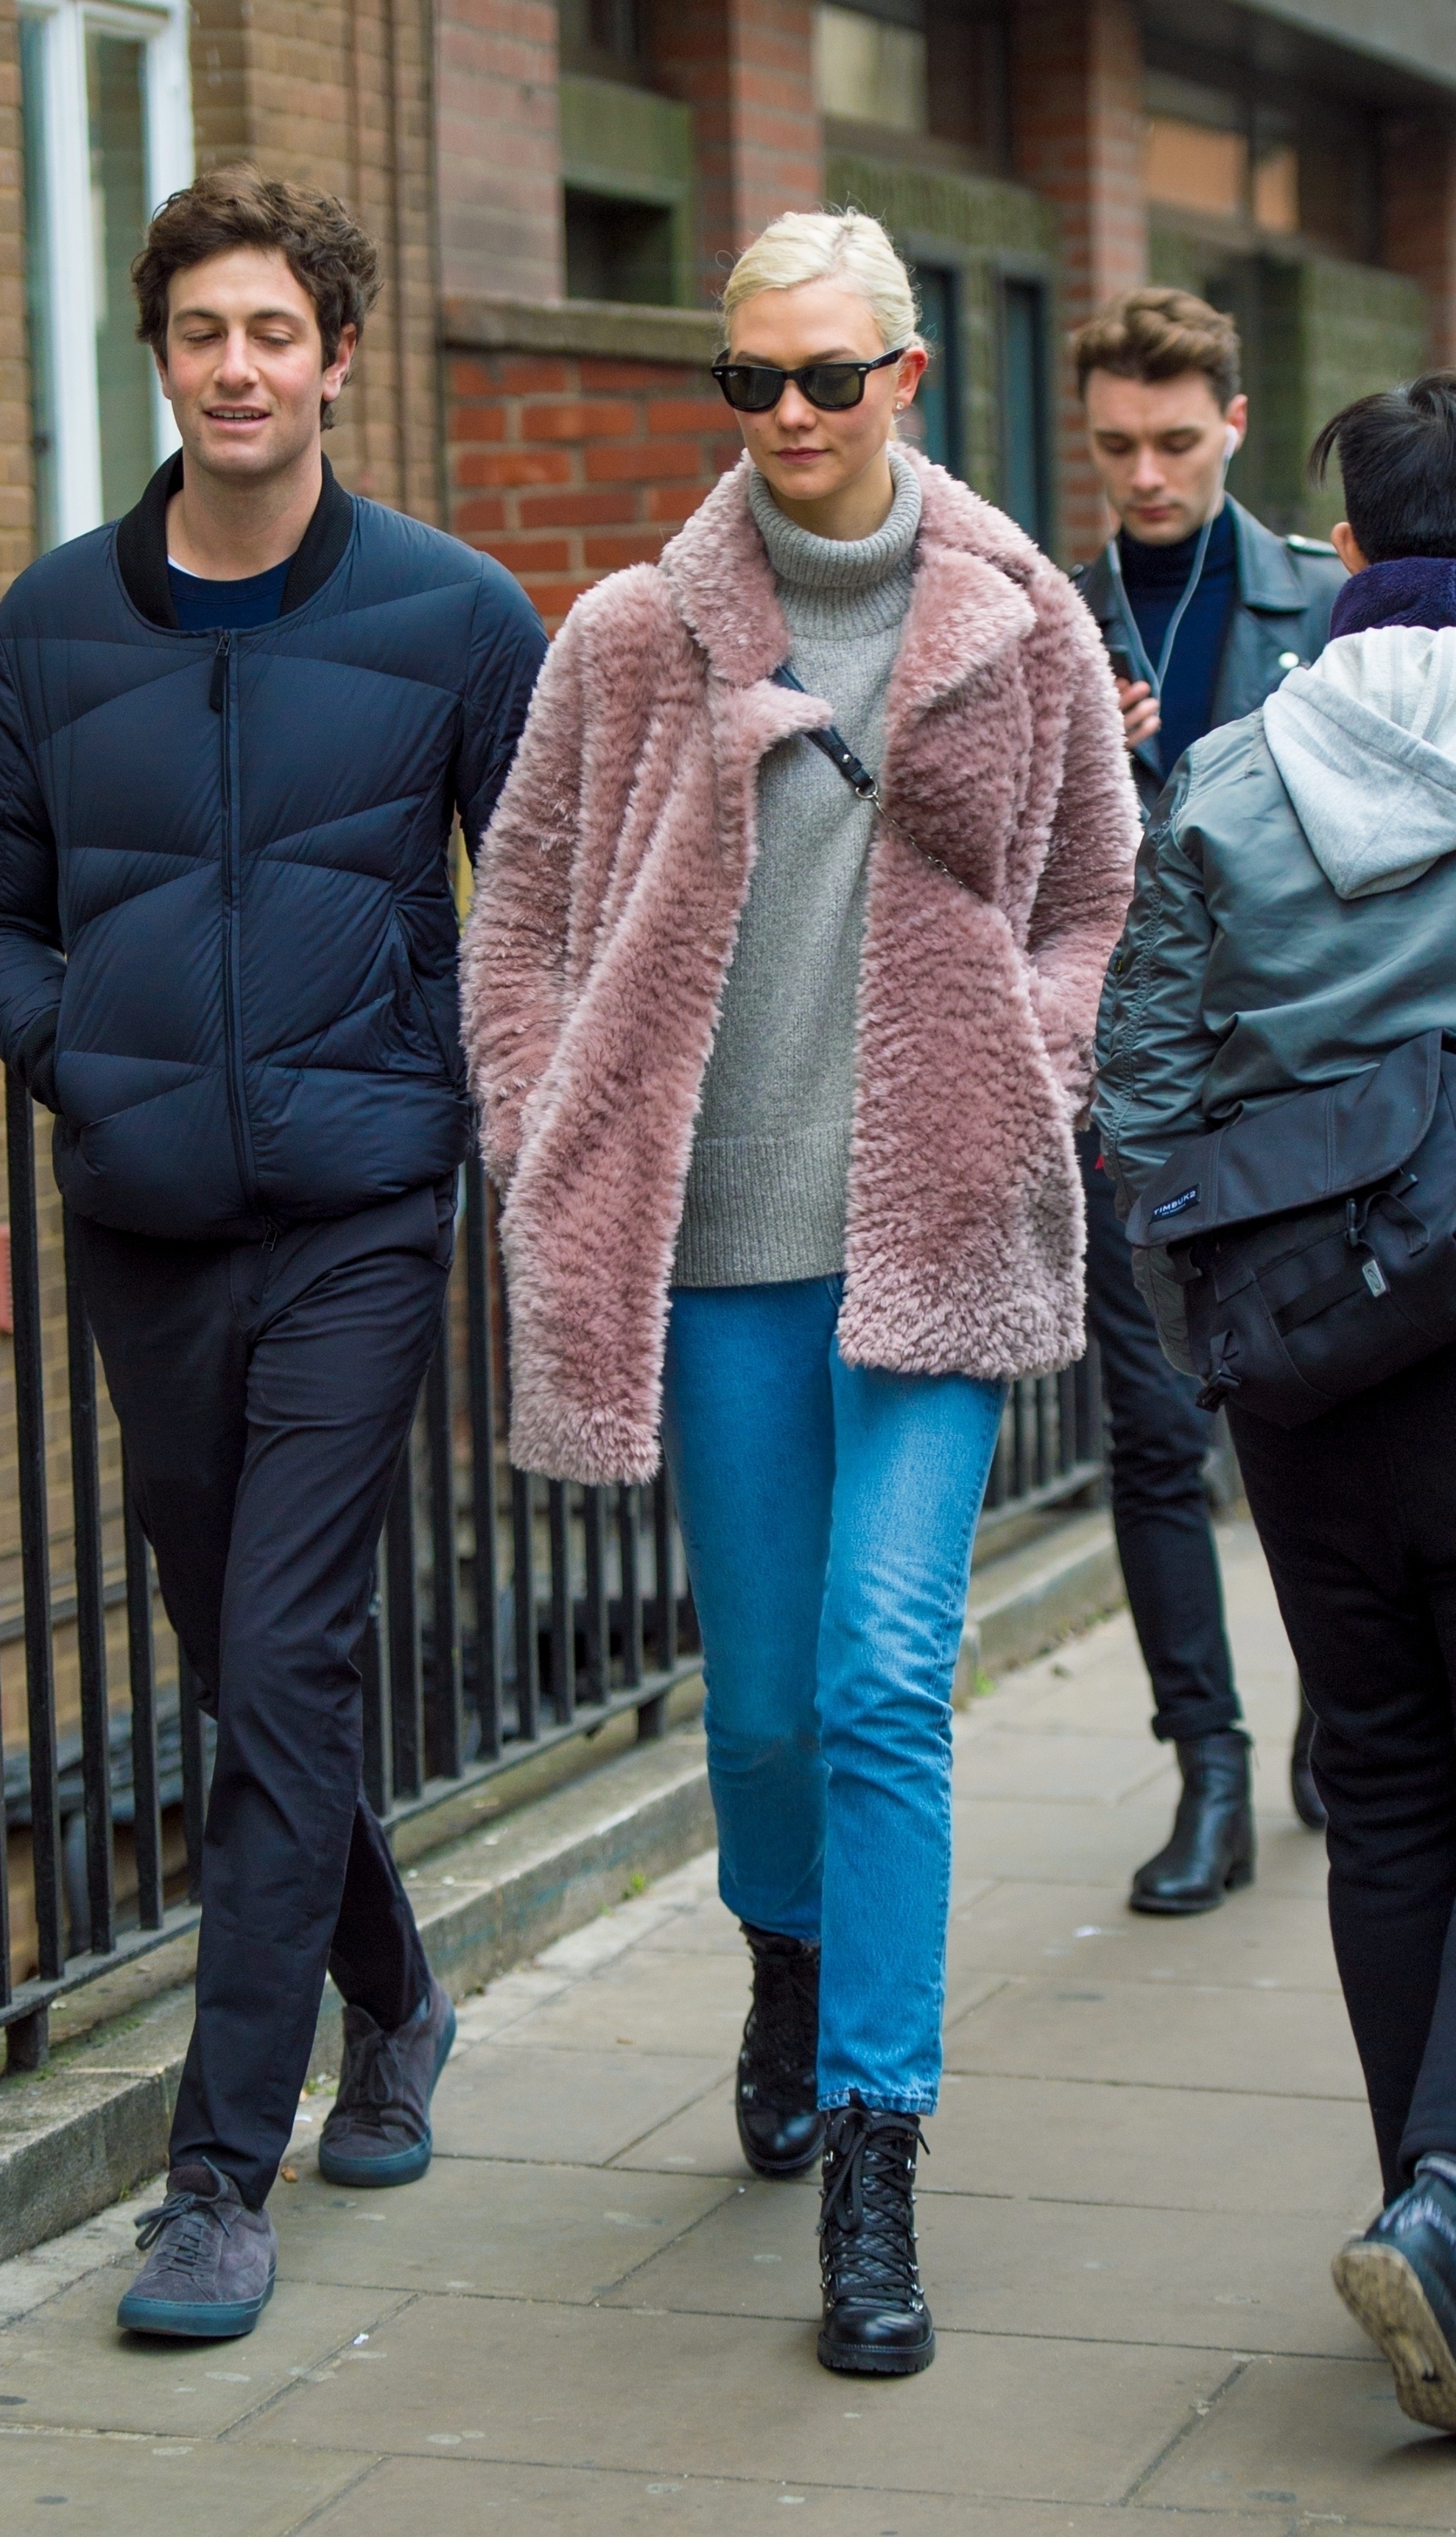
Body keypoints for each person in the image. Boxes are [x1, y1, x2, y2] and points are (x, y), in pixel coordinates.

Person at [460, 208, 1136, 2379]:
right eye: (749, 379)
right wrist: (542, 1119)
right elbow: (520, 918)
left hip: (933, 1230)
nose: (788, 415)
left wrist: (1027, 1070)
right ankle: (785, 1948)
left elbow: (1098, 899)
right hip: (717, 1253)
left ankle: (877, 2144)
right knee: (758, 1703)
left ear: (905, 377)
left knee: (879, 1677)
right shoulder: (628, 637)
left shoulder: (1018, 616)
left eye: (828, 376)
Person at [0, 166, 545, 2340]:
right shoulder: (52, 624)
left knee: (286, 1658)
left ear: (337, 355)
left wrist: (432, 1081)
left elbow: (537, 905)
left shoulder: (458, 615)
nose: (238, 365)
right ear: (160, 355)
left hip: (364, 1210)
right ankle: (398, 1996)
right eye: (203, 329)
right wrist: (84, 1063)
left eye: (275, 328)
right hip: (149, 1222)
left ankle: (215, 2178)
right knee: (236, 1658)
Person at [1092, 371, 1456, 2432]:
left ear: (1353, 550)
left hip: (1307, 1368)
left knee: (1387, 1789)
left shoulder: (1234, 768)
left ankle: (1422, 2205)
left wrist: (1216, 1324)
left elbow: (1140, 1087)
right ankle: (1444, 2225)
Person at [1072, 288, 1345, 1914]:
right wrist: (1080, 756)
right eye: (1116, 445)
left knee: (1316, 1416)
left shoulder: (1327, 601)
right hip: (1140, 1103)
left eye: (1176, 441)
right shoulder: (1052, 617)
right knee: (1154, 1439)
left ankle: (1339, 1711)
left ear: (1234, 423)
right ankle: (1209, 1770)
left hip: (1309, 1088)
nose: (1146, 476)